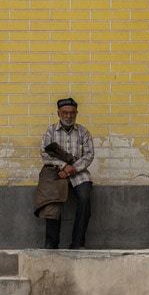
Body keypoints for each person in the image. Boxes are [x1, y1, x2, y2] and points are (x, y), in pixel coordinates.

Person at [40, 97, 94, 249]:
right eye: (65, 113)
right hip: (56, 172)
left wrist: (73, 168)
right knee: (52, 201)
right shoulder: (50, 131)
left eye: (72, 113)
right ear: (58, 113)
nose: (69, 116)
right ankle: (51, 243)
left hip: (79, 172)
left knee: (85, 198)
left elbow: (89, 155)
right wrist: (63, 166)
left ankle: (77, 243)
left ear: (76, 113)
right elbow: (44, 154)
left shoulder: (83, 132)